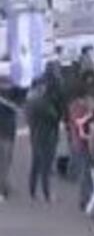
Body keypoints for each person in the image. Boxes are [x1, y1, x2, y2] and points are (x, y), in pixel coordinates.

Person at [26, 64, 64, 202]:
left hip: (35, 135)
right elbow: (54, 116)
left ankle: (32, 191)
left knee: (35, 164)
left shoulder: (30, 102)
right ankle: (46, 193)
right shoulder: (43, 102)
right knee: (46, 166)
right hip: (47, 136)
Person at [0, 90, 18, 202]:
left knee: (4, 164)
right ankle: (2, 191)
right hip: (6, 137)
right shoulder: (9, 108)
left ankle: (4, 187)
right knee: (4, 165)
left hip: (6, 136)